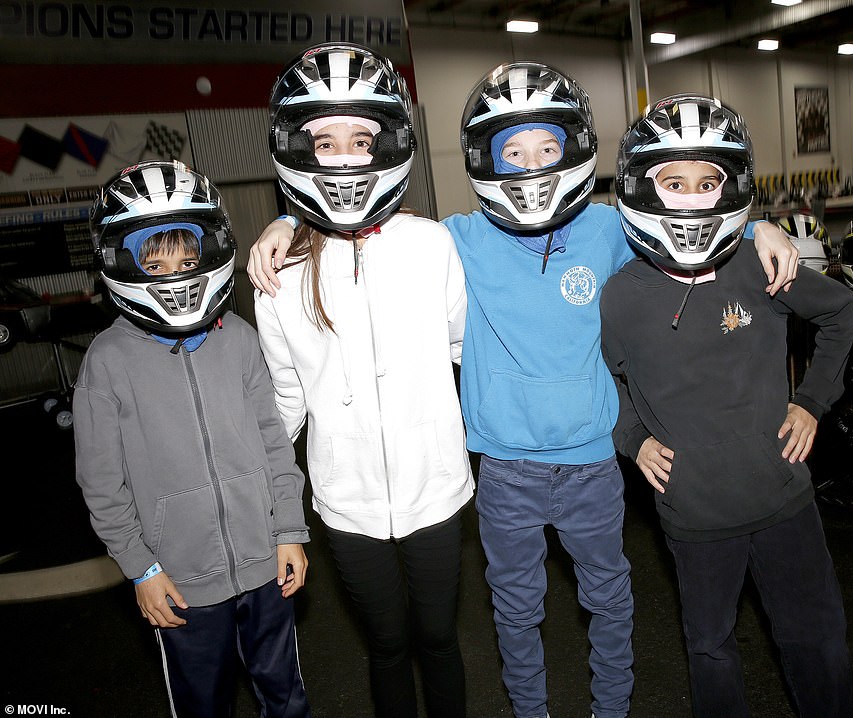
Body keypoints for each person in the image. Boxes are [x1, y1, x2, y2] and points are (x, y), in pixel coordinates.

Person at [248, 62, 799, 718]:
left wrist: (759, 225)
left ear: (572, 148)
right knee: (514, 612)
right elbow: (367, 230)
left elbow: (686, 231)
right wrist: (286, 223)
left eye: (547, 149)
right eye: (514, 152)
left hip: (592, 461)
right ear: (488, 158)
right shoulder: (457, 239)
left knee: (611, 603)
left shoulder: (606, 230)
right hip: (505, 468)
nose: (533, 165)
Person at [601, 94, 853, 718]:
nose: (691, 198)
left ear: (731, 187)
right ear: (643, 186)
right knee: (711, 649)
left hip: (783, 498)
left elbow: (841, 310)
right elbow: (603, 377)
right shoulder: (621, 295)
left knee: (816, 641)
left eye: (707, 181)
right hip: (693, 512)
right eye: (673, 182)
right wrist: (632, 438)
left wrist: (811, 400)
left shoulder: (758, 263)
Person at [255, 43, 475, 718]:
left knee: (438, 640)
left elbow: (465, 352)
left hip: (436, 494)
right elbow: (283, 402)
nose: (346, 156)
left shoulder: (431, 244)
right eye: (325, 141)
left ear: (392, 143)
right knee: (386, 645)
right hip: (345, 506)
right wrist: (258, 505)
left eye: (361, 138)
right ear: (299, 148)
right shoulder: (278, 275)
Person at [74, 160, 311, 718]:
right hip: (179, 582)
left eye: (187, 259)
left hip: (264, 564)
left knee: (287, 698)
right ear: (122, 264)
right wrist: (141, 568)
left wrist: (289, 531)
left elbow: (275, 445)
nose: (176, 275)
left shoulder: (239, 339)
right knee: (203, 706)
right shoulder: (107, 362)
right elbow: (102, 485)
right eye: (155, 264)